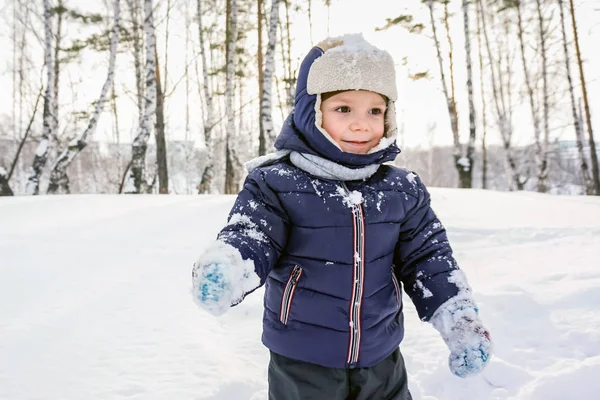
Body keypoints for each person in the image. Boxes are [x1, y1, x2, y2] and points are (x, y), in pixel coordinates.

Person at [191, 34, 492, 400]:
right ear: (310, 112)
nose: (361, 124)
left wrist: (459, 319)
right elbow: (252, 234)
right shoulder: (276, 183)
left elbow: (429, 260)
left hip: (381, 356)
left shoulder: (402, 189)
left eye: (375, 111)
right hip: (302, 360)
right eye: (343, 109)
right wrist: (229, 266)